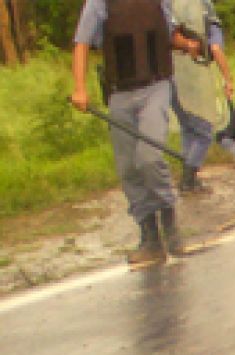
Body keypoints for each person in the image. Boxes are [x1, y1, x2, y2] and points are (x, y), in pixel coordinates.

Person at [70, 0, 204, 265]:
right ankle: (150, 239)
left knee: (150, 157)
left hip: (155, 86)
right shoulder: (99, 2)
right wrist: (80, 88)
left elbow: (169, 34)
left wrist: (189, 45)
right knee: (129, 168)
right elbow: (82, 43)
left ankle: (171, 227)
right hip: (119, 92)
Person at [171, 0, 233, 194]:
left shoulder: (170, 7)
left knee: (188, 128)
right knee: (205, 131)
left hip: (171, 78)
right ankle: (189, 178)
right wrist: (228, 79)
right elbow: (215, 49)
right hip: (193, 78)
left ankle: (188, 176)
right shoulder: (207, 16)